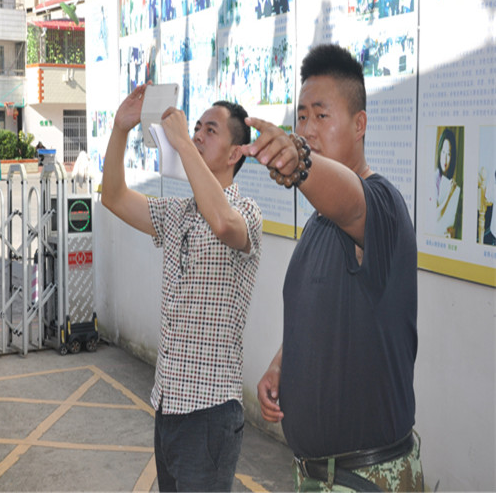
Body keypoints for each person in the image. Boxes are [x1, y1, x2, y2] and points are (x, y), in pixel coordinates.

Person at [243, 44, 424, 491]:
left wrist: (299, 162)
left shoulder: (381, 205)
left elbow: (351, 199)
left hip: (367, 477)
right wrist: (282, 364)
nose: (307, 129)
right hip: (316, 475)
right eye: (301, 117)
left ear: (359, 125)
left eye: (321, 116)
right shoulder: (320, 223)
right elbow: (321, 313)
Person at [101, 85, 263, 491]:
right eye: (196, 128)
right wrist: (120, 129)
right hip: (168, 406)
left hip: (210, 413)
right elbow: (114, 197)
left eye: (210, 130)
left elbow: (223, 224)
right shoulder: (179, 213)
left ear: (234, 154)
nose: (197, 135)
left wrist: (182, 144)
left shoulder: (246, 213)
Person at [428, 127, 462, 239]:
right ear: (439, 152)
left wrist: (451, 232)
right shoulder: (434, 178)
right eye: (443, 152)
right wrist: (449, 195)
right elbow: (435, 216)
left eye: (449, 154)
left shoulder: (451, 182)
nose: (445, 158)